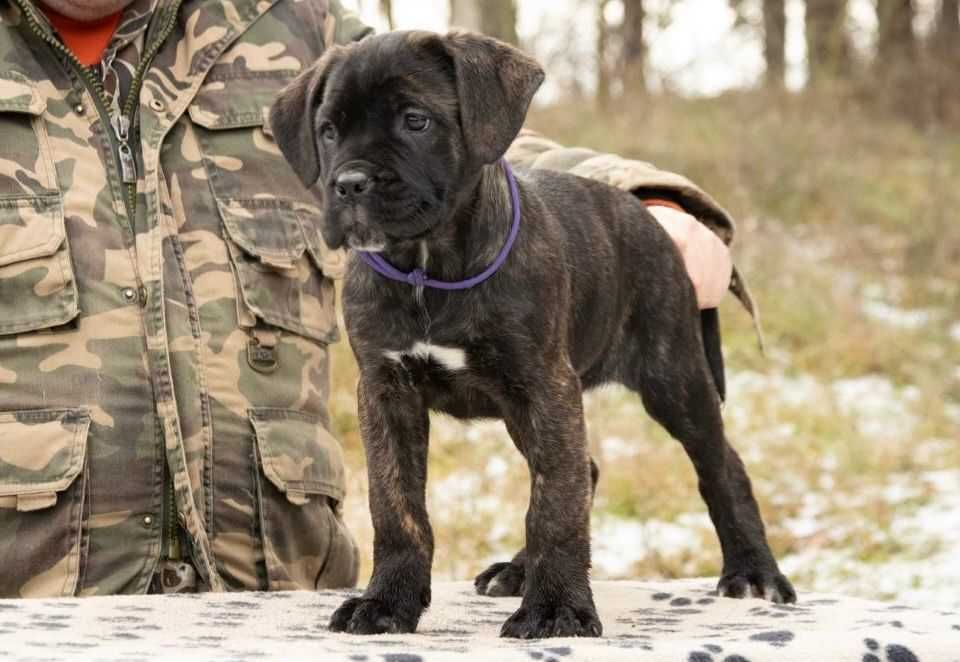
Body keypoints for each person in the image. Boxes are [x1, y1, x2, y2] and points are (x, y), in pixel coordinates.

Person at [0, 0, 744, 598]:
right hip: (29, 608)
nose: (348, 173)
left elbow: (480, 134)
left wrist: (648, 197)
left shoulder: (284, 23)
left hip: (281, 595)